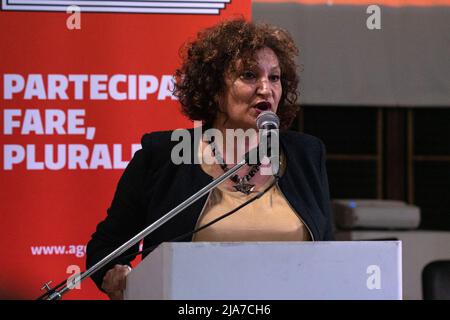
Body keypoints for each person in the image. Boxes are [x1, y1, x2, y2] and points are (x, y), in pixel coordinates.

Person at [86, 18, 334, 300]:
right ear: (215, 89)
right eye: (250, 75)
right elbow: (105, 248)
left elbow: (328, 253)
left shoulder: (306, 155)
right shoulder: (164, 155)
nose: (266, 89)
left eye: (274, 77)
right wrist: (116, 276)